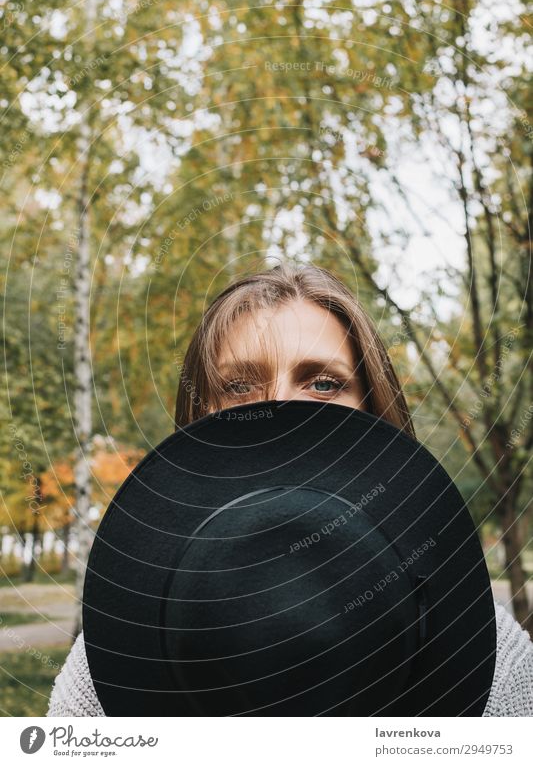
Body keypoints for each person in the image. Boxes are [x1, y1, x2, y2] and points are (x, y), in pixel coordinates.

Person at [47, 261, 533, 716]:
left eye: (323, 383)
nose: (280, 408)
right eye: (238, 386)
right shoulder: (111, 656)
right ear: (199, 417)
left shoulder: (491, 654)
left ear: (374, 409)